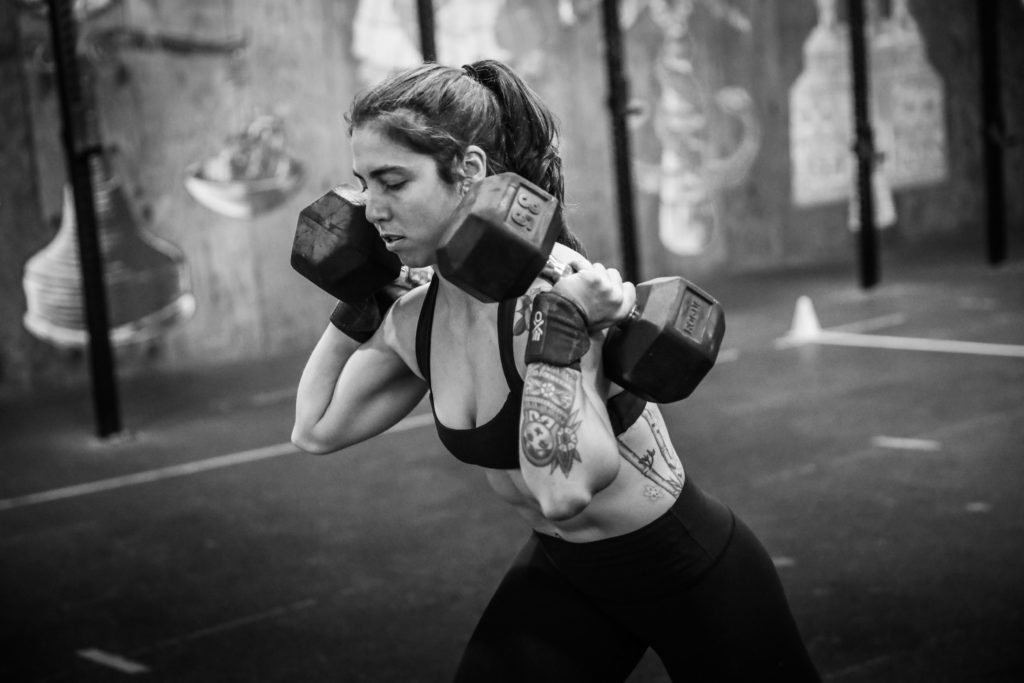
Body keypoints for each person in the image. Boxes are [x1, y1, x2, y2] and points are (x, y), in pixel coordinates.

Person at [292, 59, 820, 682]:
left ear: (468, 172)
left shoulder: (557, 291)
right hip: (568, 574)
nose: (371, 209)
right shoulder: (415, 319)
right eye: (362, 183)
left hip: (687, 571)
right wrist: (359, 302)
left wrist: (567, 326)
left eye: (393, 182)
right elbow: (316, 427)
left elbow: (562, 489)